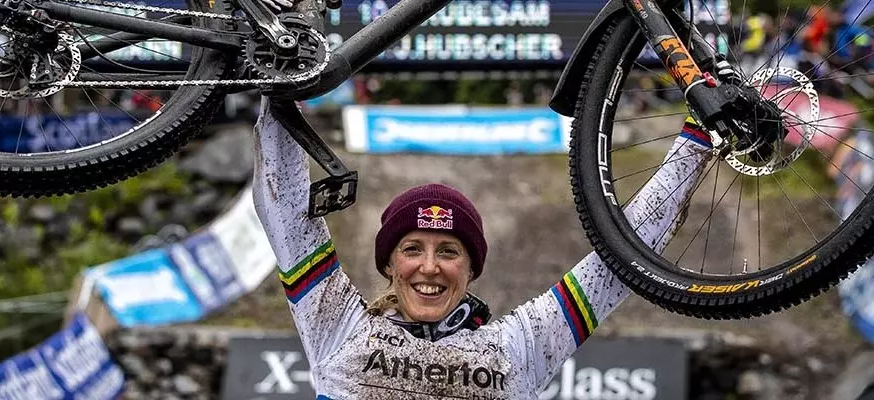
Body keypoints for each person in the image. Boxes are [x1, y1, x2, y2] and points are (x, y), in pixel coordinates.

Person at [251, 99, 714, 398]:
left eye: (449, 252)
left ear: (472, 268)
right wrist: (282, 85)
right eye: (412, 248)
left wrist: (704, 129)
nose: (429, 267)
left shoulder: (519, 346)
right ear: (389, 264)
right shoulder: (338, 325)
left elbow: (619, 258)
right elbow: (286, 211)